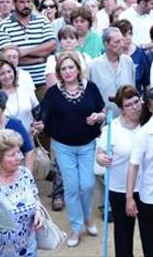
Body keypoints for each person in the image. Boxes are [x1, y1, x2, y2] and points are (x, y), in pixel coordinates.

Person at [36, 52, 106, 247]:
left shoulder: (91, 88)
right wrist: (40, 125)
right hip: (63, 146)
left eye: (70, 67)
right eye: (63, 69)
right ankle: (76, 227)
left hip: (87, 145)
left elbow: (102, 110)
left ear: (78, 68)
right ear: (58, 72)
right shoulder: (53, 93)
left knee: (88, 185)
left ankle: (88, 218)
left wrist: (98, 117)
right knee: (72, 187)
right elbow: (45, 117)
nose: (67, 71)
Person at [96, 85, 144, 257]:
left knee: (149, 234)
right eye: (129, 105)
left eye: (137, 102)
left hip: (146, 188)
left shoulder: (147, 123)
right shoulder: (111, 129)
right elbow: (99, 154)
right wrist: (102, 159)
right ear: (121, 109)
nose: (135, 107)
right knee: (123, 235)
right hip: (119, 188)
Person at [126, 88, 153, 257]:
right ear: (149, 109)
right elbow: (133, 166)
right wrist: (129, 198)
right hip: (151, 200)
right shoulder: (143, 134)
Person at [0, 0, 58, 92]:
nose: (26, 5)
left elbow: (51, 45)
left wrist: (23, 52)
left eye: (29, 2)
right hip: (18, 84)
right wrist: (39, 58)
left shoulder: (43, 20)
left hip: (43, 82)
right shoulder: (3, 26)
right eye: (22, 2)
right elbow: (9, 57)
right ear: (14, 3)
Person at [88, 27, 136, 114]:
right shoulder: (93, 66)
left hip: (127, 116)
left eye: (122, 40)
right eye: (117, 42)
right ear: (106, 44)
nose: (121, 44)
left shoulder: (128, 61)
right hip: (103, 119)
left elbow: (133, 89)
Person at [0, 58, 39, 131]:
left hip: (28, 138)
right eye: (2, 74)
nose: (7, 76)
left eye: (9, 71)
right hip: (5, 140)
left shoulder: (26, 89)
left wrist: (37, 126)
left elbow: (38, 113)